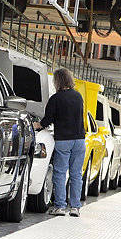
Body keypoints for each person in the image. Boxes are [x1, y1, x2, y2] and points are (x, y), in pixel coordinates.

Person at [33, 68, 86, 217]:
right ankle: (75, 207)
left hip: (64, 140)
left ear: (57, 81)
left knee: (60, 173)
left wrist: (37, 125)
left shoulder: (56, 99)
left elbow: (47, 121)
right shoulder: (78, 96)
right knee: (76, 174)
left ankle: (60, 207)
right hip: (80, 141)